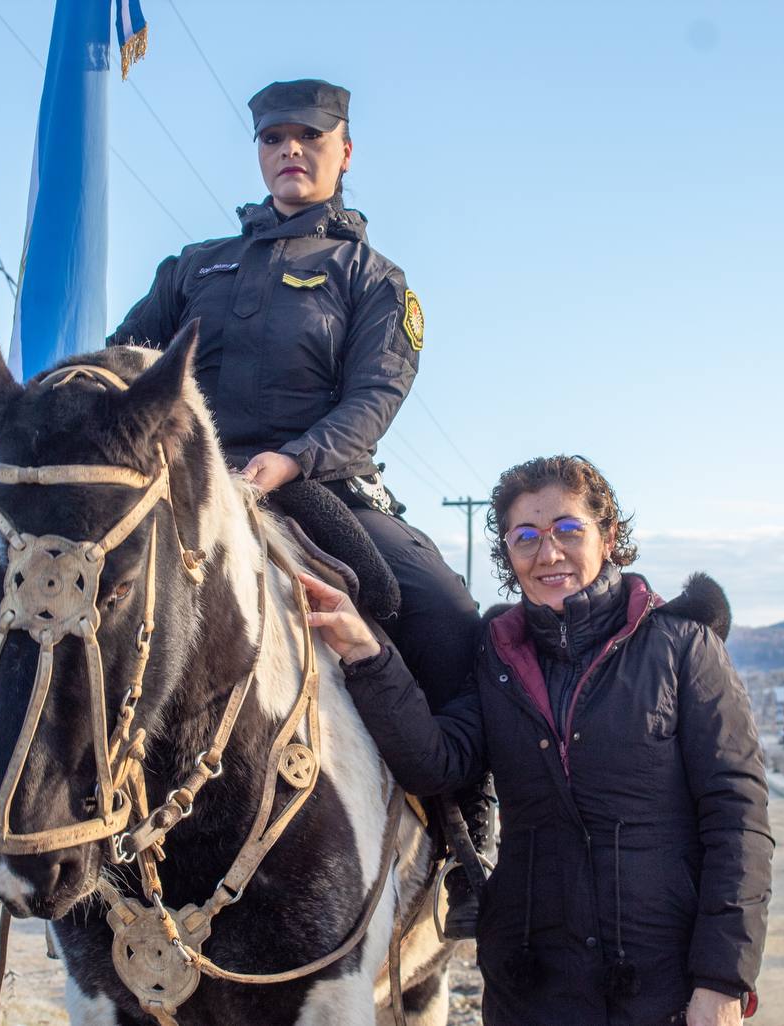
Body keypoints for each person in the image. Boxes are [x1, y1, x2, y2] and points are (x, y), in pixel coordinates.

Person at [107, 79, 486, 931]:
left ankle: (469, 831)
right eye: (275, 138)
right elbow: (124, 360)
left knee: (446, 610)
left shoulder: (373, 278)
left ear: (343, 151)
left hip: (321, 487)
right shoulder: (193, 268)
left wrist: (290, 461)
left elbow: (374, 399)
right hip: (191, 486)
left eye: (309, 138)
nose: (291, 151)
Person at [302, 455, 773, 1026]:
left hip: (662, 987)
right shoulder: (496, 656)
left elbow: (737, 821)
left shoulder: (681, 649)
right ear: (507, 552)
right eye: (525, 537)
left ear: (609, 536)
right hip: (533, 988)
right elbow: (437, 763)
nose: (548, 554)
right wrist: (365, 653)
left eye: (568, 530)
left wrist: (723, 979)